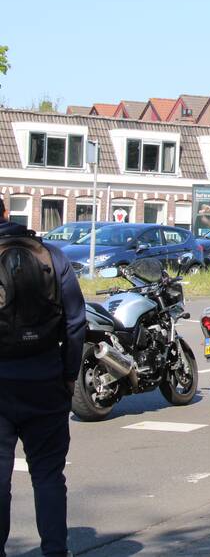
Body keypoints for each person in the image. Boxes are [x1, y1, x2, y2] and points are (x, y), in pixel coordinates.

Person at [0, 196, 87, 557]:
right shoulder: (51, 255)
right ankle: (54, 551)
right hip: (46, 379)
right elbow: (76, 322)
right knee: (49, 475)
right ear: (6, 213)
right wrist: (68, 373)